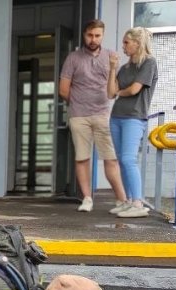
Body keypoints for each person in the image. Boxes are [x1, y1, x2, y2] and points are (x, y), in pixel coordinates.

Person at [59, 19, 128, 212]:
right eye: (90, 35)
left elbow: (113, 90)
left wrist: (114, 67)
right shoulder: (73, 58)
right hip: (79, 116)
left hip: (104, 115)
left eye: (97, 35)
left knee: (111, 158)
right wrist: (80, 101)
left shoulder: (110, 57)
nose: (93, 39)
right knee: (82, 158)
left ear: (102, 36)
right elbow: (63, 90)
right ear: (84, 34)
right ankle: (87, 199)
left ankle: (122, 200)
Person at [108, 27, 159, 218]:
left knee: (129, 159)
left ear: (137, 43)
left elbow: (134, 90)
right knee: (122, 160)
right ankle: (128, 201)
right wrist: (112, 68)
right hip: (117, 116)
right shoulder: (124, 68)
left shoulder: (149, 63)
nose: (123, 46)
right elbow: (110, 92)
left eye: (126, 42)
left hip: (134, 117)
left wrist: (119, 92)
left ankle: (137, 203)